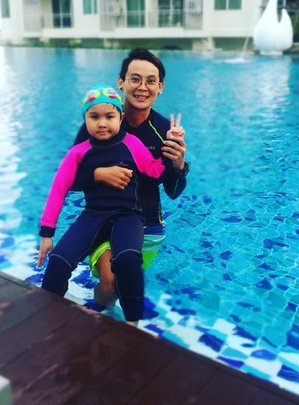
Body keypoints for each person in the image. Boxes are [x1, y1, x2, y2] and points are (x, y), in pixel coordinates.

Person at [37, 86, 183, 325]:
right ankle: (46, 316)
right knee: (59, 259)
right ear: (85, 119)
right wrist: (47, 234)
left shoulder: (132, 143)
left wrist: (171, 148)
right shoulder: (79, 152)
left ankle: (132, 322)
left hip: (128, 215)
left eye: (109, 116)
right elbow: (58, 189)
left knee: (128, 260)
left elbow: (155, 172)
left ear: (120, 118)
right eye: (94, 117)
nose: (102, 123)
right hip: (93, 214)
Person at [73, 49, 189, 308]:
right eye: (135, 79)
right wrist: (99, 174)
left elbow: (173, 191)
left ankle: (110, 316)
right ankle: (100, 315)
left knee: (124, 286)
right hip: (103, 220)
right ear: (121, 82)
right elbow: (70, 179)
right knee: (110, 282)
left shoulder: (165, 131)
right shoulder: (100, 123)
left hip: (148, 226)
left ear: (160, 88)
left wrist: (178, 165)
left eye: (151, 81)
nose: (142, 87)